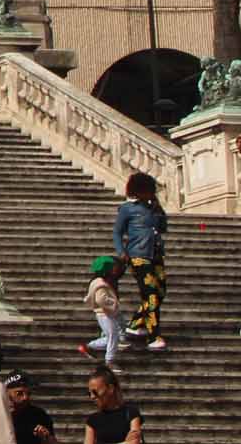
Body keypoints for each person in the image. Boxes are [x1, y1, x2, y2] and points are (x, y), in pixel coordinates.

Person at [114, 172, 168, 350]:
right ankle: (153, 336)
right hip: (138, 256)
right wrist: (122, 252)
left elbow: (163, 227)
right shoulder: (127, 209)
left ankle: (136, 324)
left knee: (160, 292)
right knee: (150, 295)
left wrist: (158, 208)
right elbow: (117, 232)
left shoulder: (153, 209)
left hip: (156, 254)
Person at [81, 366, 142, 444]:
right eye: (89, 393)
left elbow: (134, 442)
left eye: (95, 392)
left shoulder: (131, 413)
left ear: (110, 389)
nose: (92, 397)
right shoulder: (93, 420)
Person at [80, 254, 122, 365]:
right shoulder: (101, 284)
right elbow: (101, 299)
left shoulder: (96, 281)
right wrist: (114, 303)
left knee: (112, 337)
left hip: (103, 313)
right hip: (105, 313)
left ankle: (88, 347)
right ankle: (110, 361)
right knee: (113, 336)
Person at [5, 371, 57, 444]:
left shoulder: (39, 415)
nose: (25, 397)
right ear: (6, 393)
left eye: (28, 393)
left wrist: (46, 437)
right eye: (19, 393)